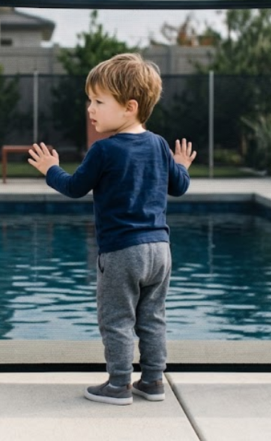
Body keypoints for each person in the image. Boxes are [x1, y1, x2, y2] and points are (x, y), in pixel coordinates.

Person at [27, 53, 196, 406]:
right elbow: (179, 186)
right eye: (90, 100)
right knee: (152, 318)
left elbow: (74, 187)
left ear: (129, 107)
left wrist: (50, 169)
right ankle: (152, 381)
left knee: (117, 318)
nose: (90, 108)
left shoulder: (103, 150)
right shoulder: (159, 145)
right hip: (160, 250)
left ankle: (119, 384)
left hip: (122, 250)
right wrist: (181, 165)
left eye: (99, 101)